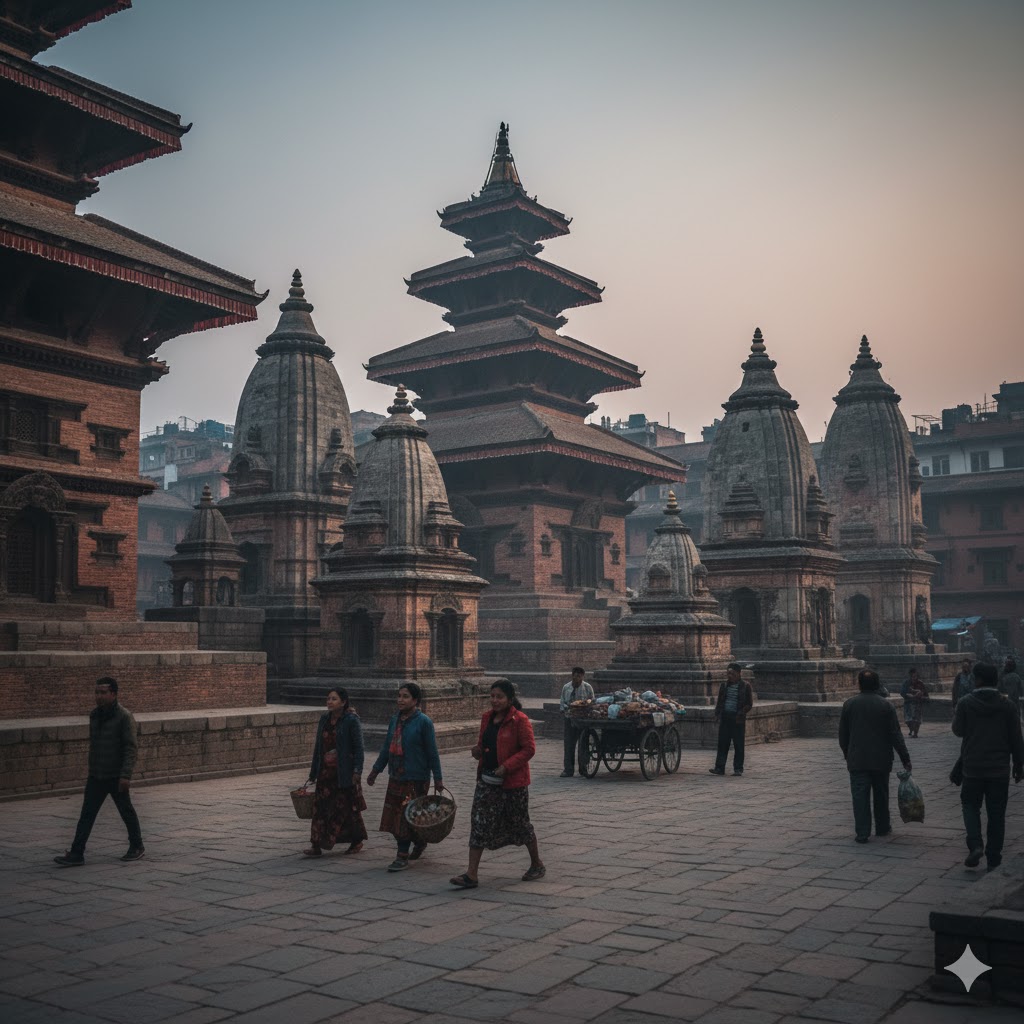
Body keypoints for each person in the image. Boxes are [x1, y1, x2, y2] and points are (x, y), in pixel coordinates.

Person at [450, 680, 545, 889]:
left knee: (520, 823)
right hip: (487, 780)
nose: (495, 700)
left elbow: (528, 749)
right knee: (478, 823)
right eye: (492, 696)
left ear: (510, 699)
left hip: (513, 783)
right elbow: (484, 745)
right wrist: (477, 751)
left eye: (499, 697)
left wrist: (507, 766)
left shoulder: (520, 720)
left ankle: (536, 864)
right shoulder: (487, 718)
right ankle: (471, 874)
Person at [54, 677, 144, 866]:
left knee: (126, 811)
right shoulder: (95, 715)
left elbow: (130, 748)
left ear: (114, 694)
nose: (99, 696)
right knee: (87, 814)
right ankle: (77, 853)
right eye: (97, 692)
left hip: (116, 775)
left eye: (103, 693)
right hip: (96, 775)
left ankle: (137, 846)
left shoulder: (124, 716)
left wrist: (126, 775)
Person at [952, 663, 1024, 870]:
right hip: (999, 769)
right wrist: (1019, 764)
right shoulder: (1007, 705)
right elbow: (1016, 739)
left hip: (972, 767)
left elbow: (957, 731)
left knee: (970, 805)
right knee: (997, 813)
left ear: (979, 680)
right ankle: (994, 857)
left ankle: (975, 844)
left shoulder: (966, 703)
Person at [366, 683, 443, 872]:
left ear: (415, 701)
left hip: (416, 777)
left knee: (406, 816)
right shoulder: (395, 720)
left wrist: (438, 778)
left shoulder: (424, 722)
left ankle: (402, 855)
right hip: (396, 775)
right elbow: (386, 748)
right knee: (395, 816)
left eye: (405, 696)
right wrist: (376, 770)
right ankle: (419, 840)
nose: (401, 700)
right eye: (399, 696)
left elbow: (432, 752)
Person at [838, 669, 912, 844]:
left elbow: (843, 736)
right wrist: (905, 757)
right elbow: (895, 735)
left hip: (858, 759)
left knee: (859, 797)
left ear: (860, 684)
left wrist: (847, 754)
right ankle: (882, 826)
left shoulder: (849, 705)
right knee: (881, 794)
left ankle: (862, 832)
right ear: (878, 685)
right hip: (881, 759)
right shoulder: (886, 706)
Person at [302, 687, 367, 858]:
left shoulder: (351, 720)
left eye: (334, 699)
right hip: (325, 773)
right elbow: (318, 747)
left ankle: (356, 840)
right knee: (320, 808)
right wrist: (313, 771)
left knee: (346, 808)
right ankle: (316, 844)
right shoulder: (324, 719)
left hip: (344, 773)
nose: (329, 702)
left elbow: (359, 748)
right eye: (328, 698)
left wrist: (357, 771)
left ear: (343, 702)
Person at [709, 663, 753, 777]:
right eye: (728, 673)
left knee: (738, 745)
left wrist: (741, 712)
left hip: (737, 719)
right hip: (725, 717)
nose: (730, 676)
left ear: (739, 674)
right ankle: (719, 767)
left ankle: (738, 768)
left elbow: (749, 704)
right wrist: (717, 714)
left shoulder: (745, 686)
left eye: (732, 674)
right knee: (722, 744)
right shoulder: (724, 686)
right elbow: (720, 702)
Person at [559, 666, 594, 777]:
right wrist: (567, 708)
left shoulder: (587, 687)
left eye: (579, 677)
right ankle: (568, 769)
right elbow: (562, 702)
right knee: (569, 744)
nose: (576, 679)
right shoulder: (566, 687)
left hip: (583, 719)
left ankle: (583, 768)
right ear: (572, 676)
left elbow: (592, 701)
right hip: (569, 718)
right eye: (575, 676)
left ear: (582, 677)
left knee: (583, 744)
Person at [900, 667, 927, 737]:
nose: (914, 678)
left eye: (915, 676)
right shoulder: (906, 683)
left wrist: (920, 695)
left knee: (917, 720)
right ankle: (911, 729)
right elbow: (902, 692)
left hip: (918, 704)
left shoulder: (920, 683)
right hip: (908, 703)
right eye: (912, 676)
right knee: (908, 720)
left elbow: (926, 695)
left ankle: (915, 733)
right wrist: (907, 695)